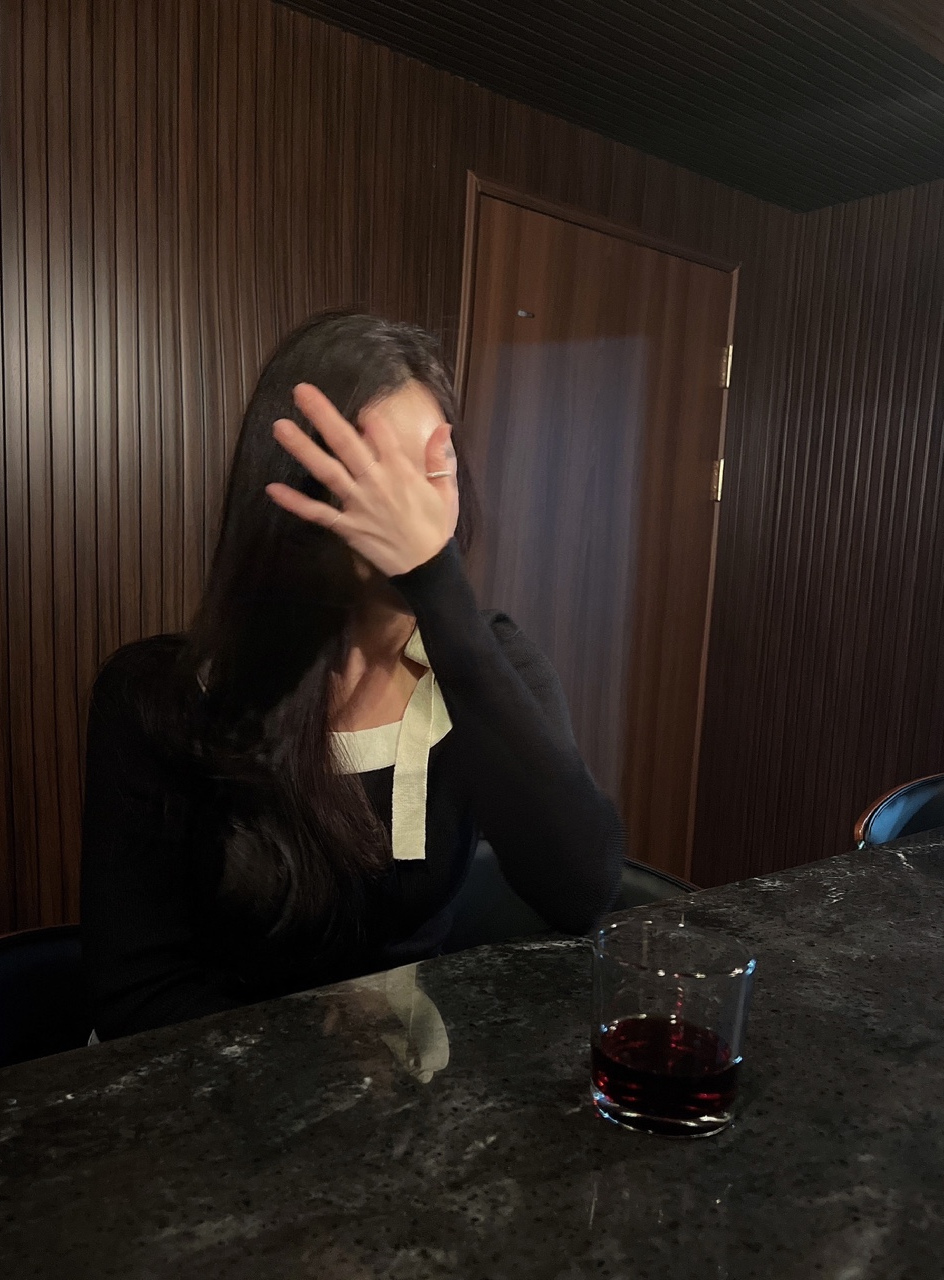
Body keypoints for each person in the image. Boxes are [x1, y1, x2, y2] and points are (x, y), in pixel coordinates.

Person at [81, 310, 624, 1039]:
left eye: (435, 472)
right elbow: (136, 995)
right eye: (377, 477)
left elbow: (580, 889)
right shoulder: (159, 696)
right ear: (298, 493)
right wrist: (330, 1060)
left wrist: (438, 587)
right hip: (214, 1078)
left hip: (398, 1076)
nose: (413, 510)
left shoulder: (482, 663)